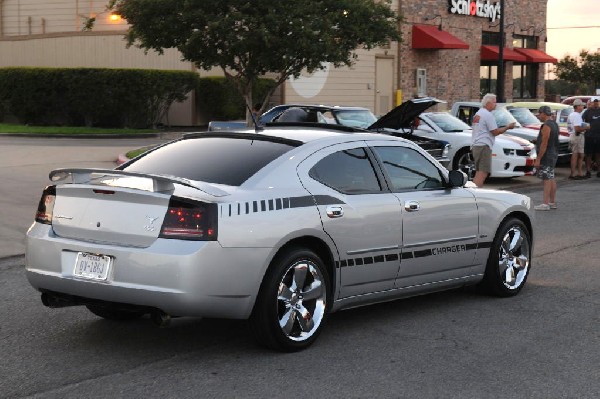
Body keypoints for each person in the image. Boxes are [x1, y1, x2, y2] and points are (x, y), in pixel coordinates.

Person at [471, 93, 515, 186]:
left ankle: (474, 191)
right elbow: (495, 132)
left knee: (479, 171)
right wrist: (508, 127)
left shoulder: (478, 113)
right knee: (483, 172)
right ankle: (476, 194)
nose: (496, 104)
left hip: (476, 145)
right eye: (494, 102)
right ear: (488, 103)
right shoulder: (487, 115)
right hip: (484, 145)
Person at [533, 105, 560, 211]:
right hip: (553, 153)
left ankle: (545, 203)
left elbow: (545, 143)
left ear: (544, 114)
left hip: (547, 155)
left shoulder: (546, 125)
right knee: (551, 177)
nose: (539, 116)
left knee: (546, 179)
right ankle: (552, 202)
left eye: (539, 114)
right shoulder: (554, 124)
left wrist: (538, 158)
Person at [566, 98, 590, 179]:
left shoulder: (573, 114)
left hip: (576, 136)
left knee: (580, 155)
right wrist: (587, 128)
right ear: (578, 106)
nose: (583, 107)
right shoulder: (576, 115)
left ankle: (578, 173)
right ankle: (573, 174)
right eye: (582, 105)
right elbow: (577, 128)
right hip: (577, 136)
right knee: (576, 155)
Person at [582, 97, 600, 178]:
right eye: (594, 102)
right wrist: (586, 128)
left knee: (598, 154)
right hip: (589, 136)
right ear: (591, 103)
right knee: (588, 155)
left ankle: (599, 171)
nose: (596, 103)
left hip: (599, 136)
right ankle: (588, 171)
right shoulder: (587, 112)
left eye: (597, 102)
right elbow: (582, 122)